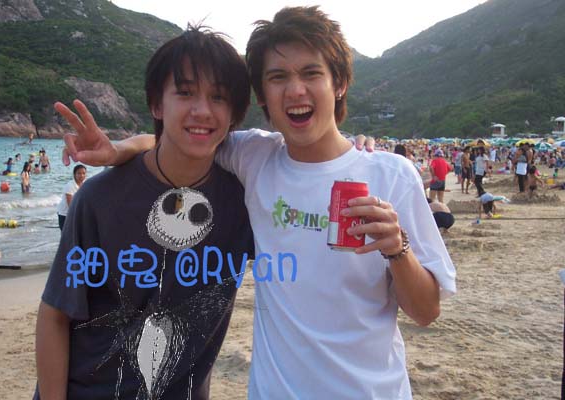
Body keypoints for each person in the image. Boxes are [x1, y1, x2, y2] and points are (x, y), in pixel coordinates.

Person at [62, 7, 456, 399]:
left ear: (339, 83)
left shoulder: (392, 175)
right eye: (278, 77)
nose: (295, 90)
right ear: (262, 94)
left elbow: (426, 312)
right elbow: (188, 134)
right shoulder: (254, 157)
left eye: (311, 73)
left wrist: (397, 249)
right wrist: (118, 150)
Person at [35, 27, 254, 400]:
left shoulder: (245, 203)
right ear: (156, 105)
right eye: (185, 93)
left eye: (218, 97)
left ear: (233, 113)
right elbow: (55, 315)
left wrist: (351, 159)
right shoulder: (99, 198)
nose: (202, 110)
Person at [56, 164, 86, 230]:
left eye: (83, 173)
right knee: (66, 234)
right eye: (79, 173)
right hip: (65, 214)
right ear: (74, 174)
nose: (82, 175)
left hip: (77, 213)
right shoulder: (70, 186)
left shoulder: (85, 184)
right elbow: (70, 205)